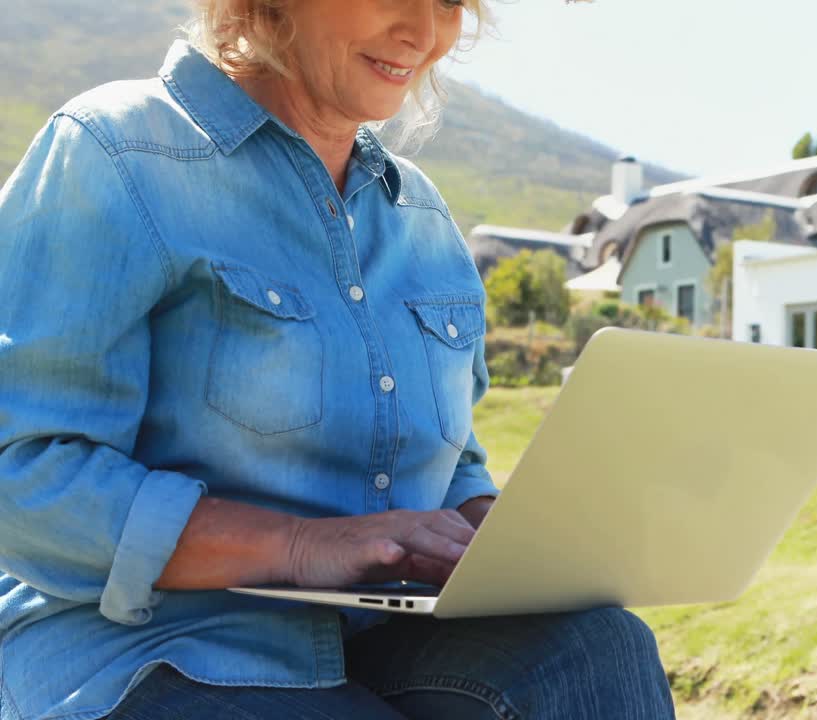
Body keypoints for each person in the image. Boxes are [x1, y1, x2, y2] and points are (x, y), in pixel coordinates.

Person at [0, 1, 676, 718]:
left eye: (449, 2)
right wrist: (298, 546)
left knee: (600, 647)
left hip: (387, 638)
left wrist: (511, 539)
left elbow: (452, 467)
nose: (423, 31)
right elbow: (23, 467)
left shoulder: (422, 219)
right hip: (152, 648)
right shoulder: (114, 151)